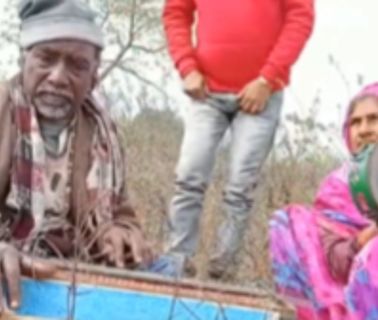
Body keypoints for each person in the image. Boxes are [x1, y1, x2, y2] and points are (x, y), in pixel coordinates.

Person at [0, 0, 182, 313]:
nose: (57, 77)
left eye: (76, 66)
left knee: (168, 276)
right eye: (46, 59)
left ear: (94, 76)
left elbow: (121, 213)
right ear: (23, 59)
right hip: (12, 260)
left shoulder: (101, 130)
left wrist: (120, 233)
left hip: (71, 265)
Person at [162, 0, 315, 278]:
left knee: (240, 188)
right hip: (205, 93)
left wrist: (268, 79)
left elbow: (300, 18)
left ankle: (222, 271)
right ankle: (176, 261)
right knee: (189, 177)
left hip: (260, 96)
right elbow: (175, 12)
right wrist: (187, 66)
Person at [269, 83, 378, 320]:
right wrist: (367, 237)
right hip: (354, 294)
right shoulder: (338, 187)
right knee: (287, 223)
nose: (364, 130)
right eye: (355, 123)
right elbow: (337, 264)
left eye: (373, 119)